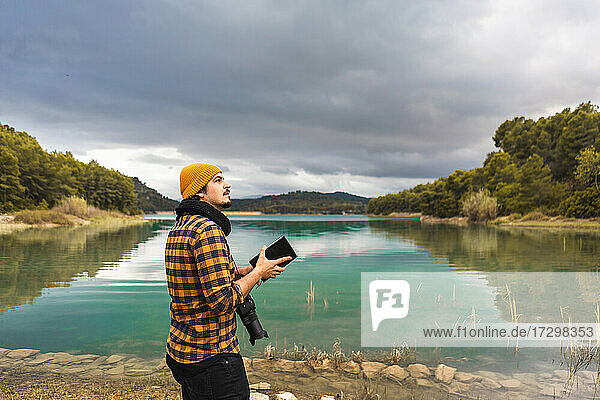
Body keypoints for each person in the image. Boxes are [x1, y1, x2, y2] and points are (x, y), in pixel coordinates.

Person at [164, 162, 290, 400]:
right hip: (213, 357)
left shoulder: (179, 228)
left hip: (182, 352)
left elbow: (196, 281)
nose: (227, 184)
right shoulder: (208, 230)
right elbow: (222, 301)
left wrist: (245, 272)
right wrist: (257, 274)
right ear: (200, 191)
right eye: (218, 180)